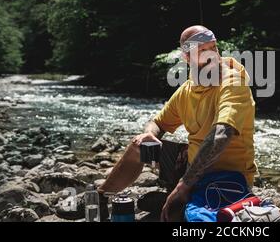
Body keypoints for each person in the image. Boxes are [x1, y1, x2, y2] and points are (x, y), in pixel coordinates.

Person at [97, 25, 257, 221]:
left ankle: (179, 200)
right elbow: (158, 122)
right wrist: (151, 134)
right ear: (187, 58)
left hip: (227, 178)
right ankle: (100, 197)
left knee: (180, 217)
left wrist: (185, 184)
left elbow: (221, 135)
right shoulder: (188, 88)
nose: (211, 55)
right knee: (140, 145)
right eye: (202, 50)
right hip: (192, 166)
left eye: (213, 47)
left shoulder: (233, 83)